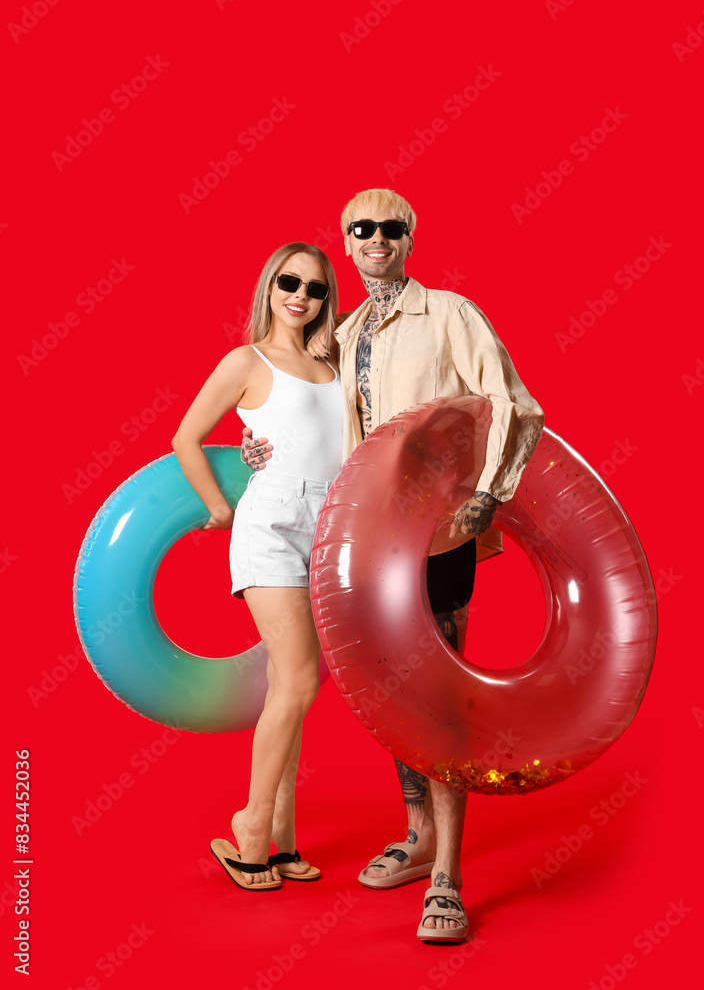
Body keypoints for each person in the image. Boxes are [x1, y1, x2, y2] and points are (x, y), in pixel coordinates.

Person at [242, 189, 544, 939]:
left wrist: (486, 493)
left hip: (439, 534)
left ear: (410, 237)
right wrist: (257, 447)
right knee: (395, 692)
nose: (376, 239)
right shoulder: (339, 335)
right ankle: (420, 838)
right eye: (361, 229)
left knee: (440, 695)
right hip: (373, 543)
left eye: (391, 228)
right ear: (347, 243)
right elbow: (302, 416)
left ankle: (448, 879)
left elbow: (511, 402)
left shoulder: (450, 314)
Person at [172, 242, 341, 890]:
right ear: (270, 286)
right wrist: (217, 505)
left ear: (327, 299)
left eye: (316, 288)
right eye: (289, 281)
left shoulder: (331, 366)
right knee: (299, 683)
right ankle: (250, 826)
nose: (301, 294)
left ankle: (281, 839)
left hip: (328, 532)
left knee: (291, 692)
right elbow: (186, 437)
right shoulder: (246, 360)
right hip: (270, 526)